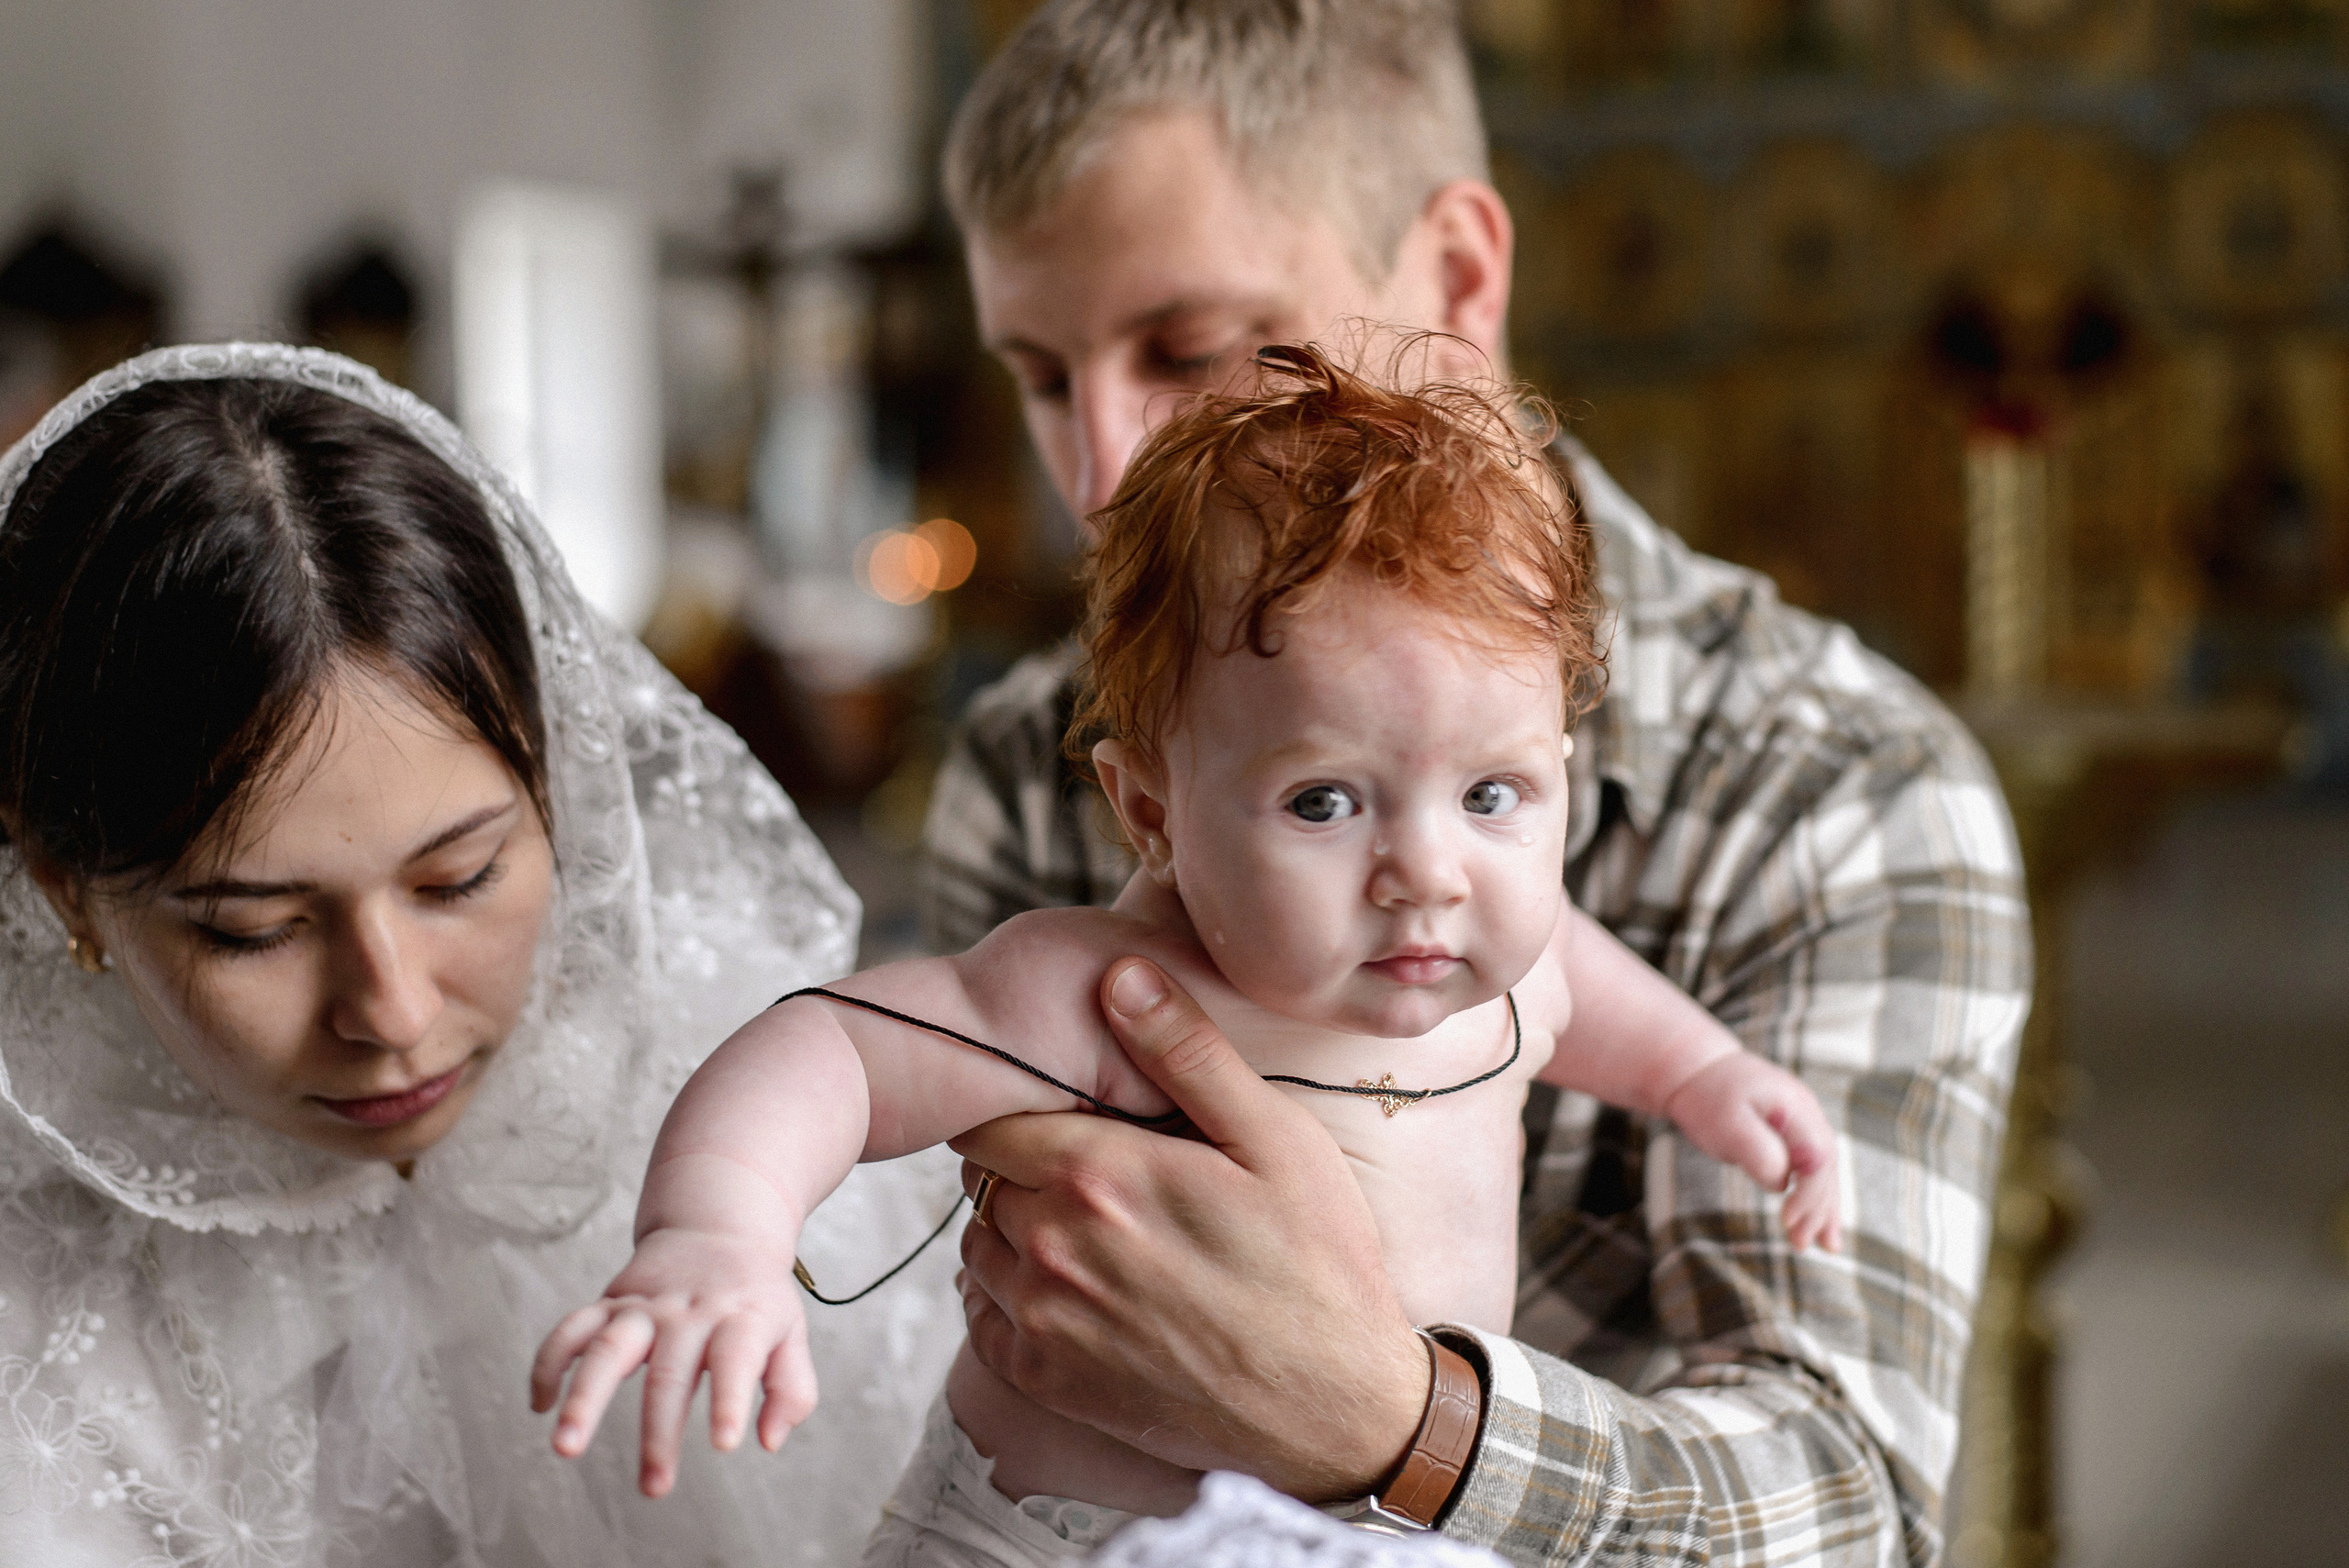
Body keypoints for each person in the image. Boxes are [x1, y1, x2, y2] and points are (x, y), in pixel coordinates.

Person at [919, 4, 2036, 1564]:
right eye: (1044, 378)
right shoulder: (1033, 751)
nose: (1103, 473)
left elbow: (1846, 1511)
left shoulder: (1840, 788)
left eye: (1189, 352)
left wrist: (1393, 1419)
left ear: (1455, 280)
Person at [534, 349, 1842, 1566]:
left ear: (1559, 771)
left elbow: (1587, 981)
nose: (1430, 872)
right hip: (1056, 1544)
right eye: (1325, 801)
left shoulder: (1507, 958)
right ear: (1152, 812)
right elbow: (832, 1046)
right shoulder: (1113, 992)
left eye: (1492, 796)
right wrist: (718, 1231)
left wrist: (1701, 1074)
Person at [0, 343, 963, 1566]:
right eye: (255, 927)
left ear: (563, 785)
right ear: (66, 891)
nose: (394, 1011)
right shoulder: (44, 1337)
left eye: (459, 877)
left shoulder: (772, 1102)